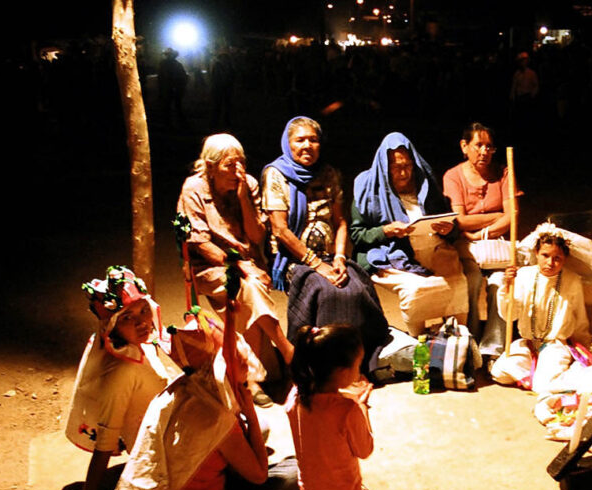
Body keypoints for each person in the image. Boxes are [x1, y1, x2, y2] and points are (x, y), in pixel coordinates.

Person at [114, 310, 298, 490]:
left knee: (260, 430)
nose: (246, 360)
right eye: (239, 359)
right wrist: (250, 414)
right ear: (219, 371)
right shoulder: (219, 418)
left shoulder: (184, 386)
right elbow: (259, 476)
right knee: (294, 472)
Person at [261, 117, 394, 376]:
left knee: (357, 289)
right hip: (295, 260)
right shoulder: (275, 174)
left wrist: (341, 258)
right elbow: (280, 229)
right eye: (300, 140)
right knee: (327, 292)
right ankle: (318, 367)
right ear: (288, 144)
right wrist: (316, 264)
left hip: (331, 256)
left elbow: (340, 221)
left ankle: (359, 361)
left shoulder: (329, 173)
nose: (307, 146)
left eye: (313, 140)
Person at [177, 133, 293, 406]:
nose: (238, 171)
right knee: (247, 286)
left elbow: (256, 236)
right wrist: (239, 264)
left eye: (241, 163)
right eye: (230, 165)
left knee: (246, 294)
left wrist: (243, 199)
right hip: (212, 267)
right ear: (210, 166)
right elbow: (200, 243)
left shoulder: (248, 184)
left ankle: (251, 379)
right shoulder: (194, 188)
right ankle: (287, 351)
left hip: (249, 266)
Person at [63, 266, 179, 490]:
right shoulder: (121, 372)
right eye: (127, 317)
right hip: (163, 453)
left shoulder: (139, 346)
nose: (141, 322)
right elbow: (106, 436)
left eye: (142, 310)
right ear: (112, 325)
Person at [281, 324, 402, 490]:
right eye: (357, 365)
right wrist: (361, 407)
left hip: (309, 487)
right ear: (339, 370)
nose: (359, 371)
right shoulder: (346, 410)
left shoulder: (295, 395)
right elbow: (364, 450)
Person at [350, 132, 467, 336]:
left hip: (435, 249)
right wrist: (385, 231)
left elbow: (452, 223)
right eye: (396, 168)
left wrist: (449, 229)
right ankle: (418, 339)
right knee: (417, 289)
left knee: (457, 284)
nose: (404, 174)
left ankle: (453, 342)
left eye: (407, 166)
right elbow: (357, 234)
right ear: (385, 168)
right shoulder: (368, 189)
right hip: (393, 255)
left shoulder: (424, 186)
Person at [442, 122, 514, 356]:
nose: (484, 152)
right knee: (471, 280)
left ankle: (493, 347)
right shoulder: (453, 176)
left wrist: (482, 232)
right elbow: (460, 220)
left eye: (489, 147)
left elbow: (512, 217)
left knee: (499, 283)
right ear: (464, 147)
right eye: (478, 145)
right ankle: (469, 340)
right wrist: (498, 216)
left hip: (495, 246)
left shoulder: (504, 172)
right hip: (466, 245)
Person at [491, 230, 591, 393]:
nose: (550, 263)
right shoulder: (524, 275)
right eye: (545, 255)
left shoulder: (572, 281)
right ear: (536, 253)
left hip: (554, 344)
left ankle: (555, 373)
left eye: (557, 258)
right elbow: (510, 315)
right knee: (499, 373)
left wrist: (583, 351)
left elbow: (580, 319)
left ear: (565, 259)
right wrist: (508, 286)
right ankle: (538, 371)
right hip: (529, 342)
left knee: (542, 387)